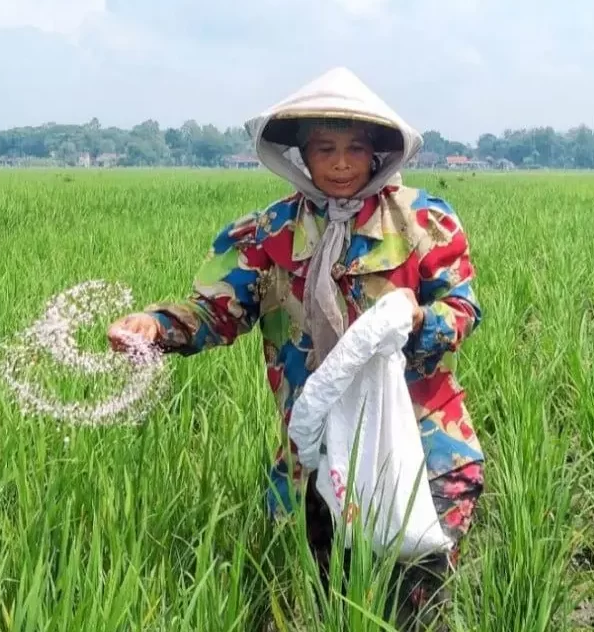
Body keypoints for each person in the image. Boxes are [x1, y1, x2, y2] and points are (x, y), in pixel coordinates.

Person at [107, 67, 485, 630]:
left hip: (419, 439)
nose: (339, 163)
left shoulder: (422, 221)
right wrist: (157, 326)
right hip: (314, 450)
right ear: (301, 155)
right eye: (324, 148)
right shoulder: (266, 233)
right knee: (326, 596)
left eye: (355, 148)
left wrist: (415, 317)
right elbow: (217, 310)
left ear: (379, 153)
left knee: (414, 597)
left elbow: (461, 311)